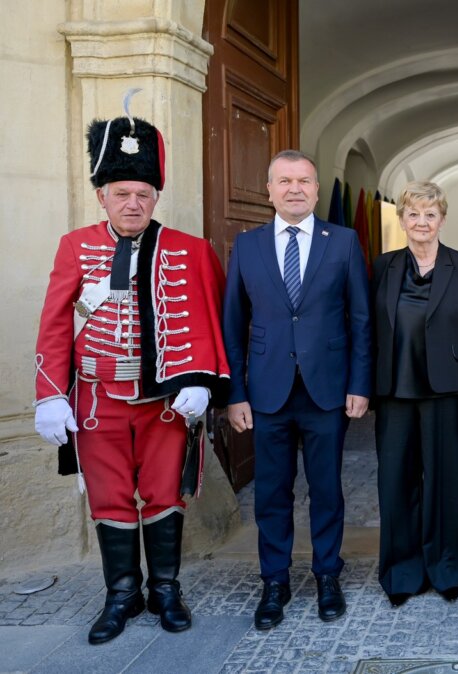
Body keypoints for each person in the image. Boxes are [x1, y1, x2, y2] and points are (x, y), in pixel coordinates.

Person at [32, 91, 231, 644]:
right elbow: (53, 324)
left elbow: (214, 320)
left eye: (143, 194)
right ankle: (122, 592)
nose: (133, 204)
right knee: (111, 497)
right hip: (96, 402)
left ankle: (166, 588)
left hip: (164, 404)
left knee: (165, 493)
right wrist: (49, 395)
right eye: (122, 194)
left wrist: (202, 382)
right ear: (102, 196)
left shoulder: (189, 249)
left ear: (154, 195)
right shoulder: (75, 247)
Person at [222, 149, 371, 630]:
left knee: (326, 489)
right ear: (268, 189)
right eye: (284, 181)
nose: (295, 189)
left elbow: (361, 320)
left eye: (304, 180)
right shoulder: (247, 246)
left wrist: (359, 383)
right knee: (271, 492)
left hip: (327, 390)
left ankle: (328, 574)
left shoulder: (344, 242)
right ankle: (275, 582)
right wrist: (235, 393)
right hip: (266, 393)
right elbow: (233, 326)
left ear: (316, 189)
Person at [370, 181, 458, 606]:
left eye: (430, 214)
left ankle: (446, 568)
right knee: (396, 483)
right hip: (394, 392)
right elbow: (368, 332)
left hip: (448, 393)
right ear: (402, 219)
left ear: (442, 219)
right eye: (413, 214)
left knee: (445, 482)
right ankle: (402, 572)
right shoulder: (382, 267)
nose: (422, 222)